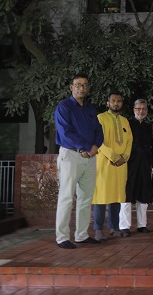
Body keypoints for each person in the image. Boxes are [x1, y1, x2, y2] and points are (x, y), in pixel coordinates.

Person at [54, 73, 104, 249]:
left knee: (85, 197)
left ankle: (81, 235)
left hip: (90, 157)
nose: (81, 88)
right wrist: (85, 147)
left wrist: (95, 147)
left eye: (84, 85)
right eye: (78, 85)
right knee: (67, 197)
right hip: (71, 155)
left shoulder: (90, 108)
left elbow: (99, 131)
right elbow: (65, 132)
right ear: (71, 87)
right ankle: (61, 237)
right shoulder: (64, 107)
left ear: (87, 88)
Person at [93, 92, 133, 240]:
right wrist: (113, 156)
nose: (116, 103)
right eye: (113, 101)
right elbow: (97, 140)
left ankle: (114, 227)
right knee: (101, 197)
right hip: (104, 163)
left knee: (116, 196)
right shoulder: (100, 118)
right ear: (107, 103)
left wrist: (124, 157)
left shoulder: (124, 121)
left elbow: (129, 140)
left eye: (119, 101)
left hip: (121, 165)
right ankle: (98, 229)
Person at [119, 99, 153, 235]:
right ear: (133, 110)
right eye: (138, 109)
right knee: (127, 195)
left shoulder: (148, 126)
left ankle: (142, 225)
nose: (141, 111)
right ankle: (124, 226)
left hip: (144, 165)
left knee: (143, 194)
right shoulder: (127, 124)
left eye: (143, 109)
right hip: (130, 164)